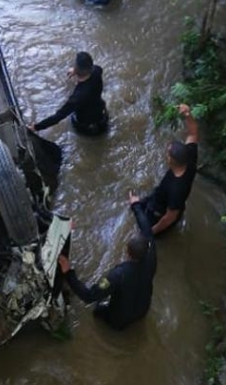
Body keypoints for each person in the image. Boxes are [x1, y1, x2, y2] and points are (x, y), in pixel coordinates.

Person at [57, 198, 157, 330]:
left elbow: (89, 296)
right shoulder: (151, 254)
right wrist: (136, 206)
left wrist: (69, 272)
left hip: (119, 320)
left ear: (127, 251)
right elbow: (147, 229)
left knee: (97, 309)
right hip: (143, 310)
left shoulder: (117, 275)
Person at [132, 103, 200, 235]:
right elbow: (193, 132)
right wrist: (187, 114)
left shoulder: (176, 189)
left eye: (167, 153)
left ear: (171, 160)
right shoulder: (190, 156)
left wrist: (150, 232)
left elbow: (169, 217)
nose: (166, 154)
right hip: (162, 200)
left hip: (159, 214)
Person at [28, 51, 109, 136]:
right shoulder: (97, 71)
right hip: (103, 117)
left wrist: (36, 127)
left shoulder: (77, 97)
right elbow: (96, 69)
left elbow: (58, 116)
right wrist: (76, 71)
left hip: (86, 127)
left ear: (77, 68)